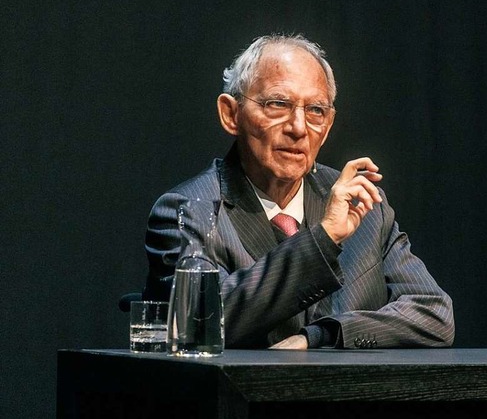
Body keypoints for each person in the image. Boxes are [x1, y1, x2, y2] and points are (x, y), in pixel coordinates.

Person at [143, 33, 454, 349]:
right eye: (278, 104)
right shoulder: (189, 210)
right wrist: (325, 238)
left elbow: (434, 313)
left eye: (316, 110)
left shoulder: (365, 206)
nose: (299, 127)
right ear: (231, 114)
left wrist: (325, 335)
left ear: (328, 124)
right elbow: (202, 322)